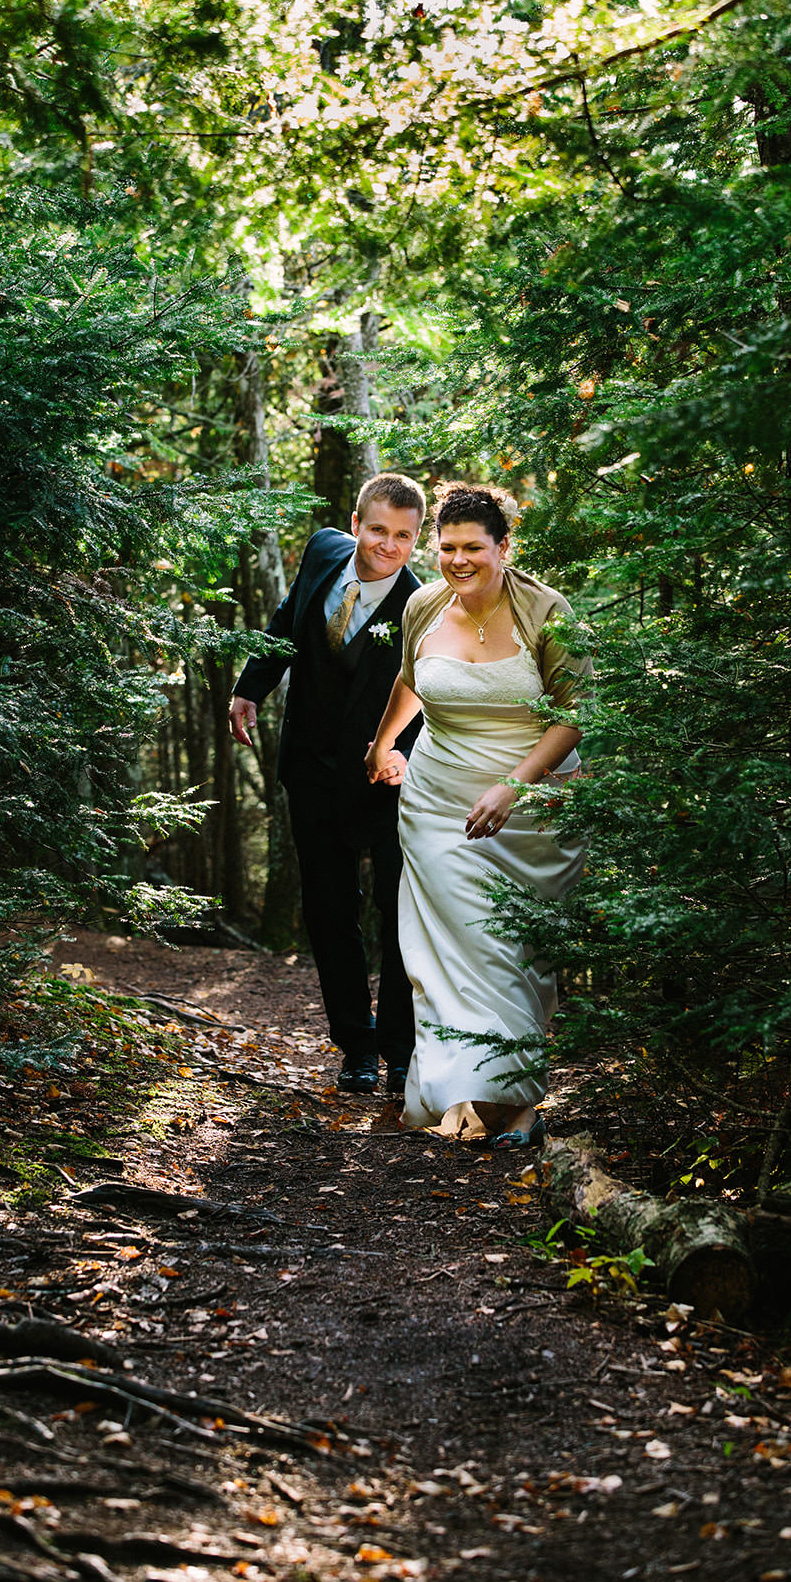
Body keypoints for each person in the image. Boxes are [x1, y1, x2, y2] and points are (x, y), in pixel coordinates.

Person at [364, 482, 590, 1148]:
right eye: (446, 548)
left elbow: (573, 714)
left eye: (472, 548)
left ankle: (515, 1101)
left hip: (532, 805)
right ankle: (468, 1096)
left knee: (512, 952)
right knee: (452, 948)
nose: (457, 560)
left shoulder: (547, 610)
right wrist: (382, 742)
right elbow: (411, 680)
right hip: (436, 802)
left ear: (504, 547)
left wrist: (512, 788)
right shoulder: (422, 605)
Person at [229, 472, 427, 1096]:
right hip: (311, 768)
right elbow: (288, 620)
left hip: (388, 776)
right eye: (378, 530)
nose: (388, 546)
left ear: (417, 539)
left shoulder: (424, 607)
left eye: (404, 536)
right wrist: (249, 686)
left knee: (398, 913)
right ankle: (356, 1045)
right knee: (327, 909)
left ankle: (400, 1048)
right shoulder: (322, 552)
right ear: (354, 525)